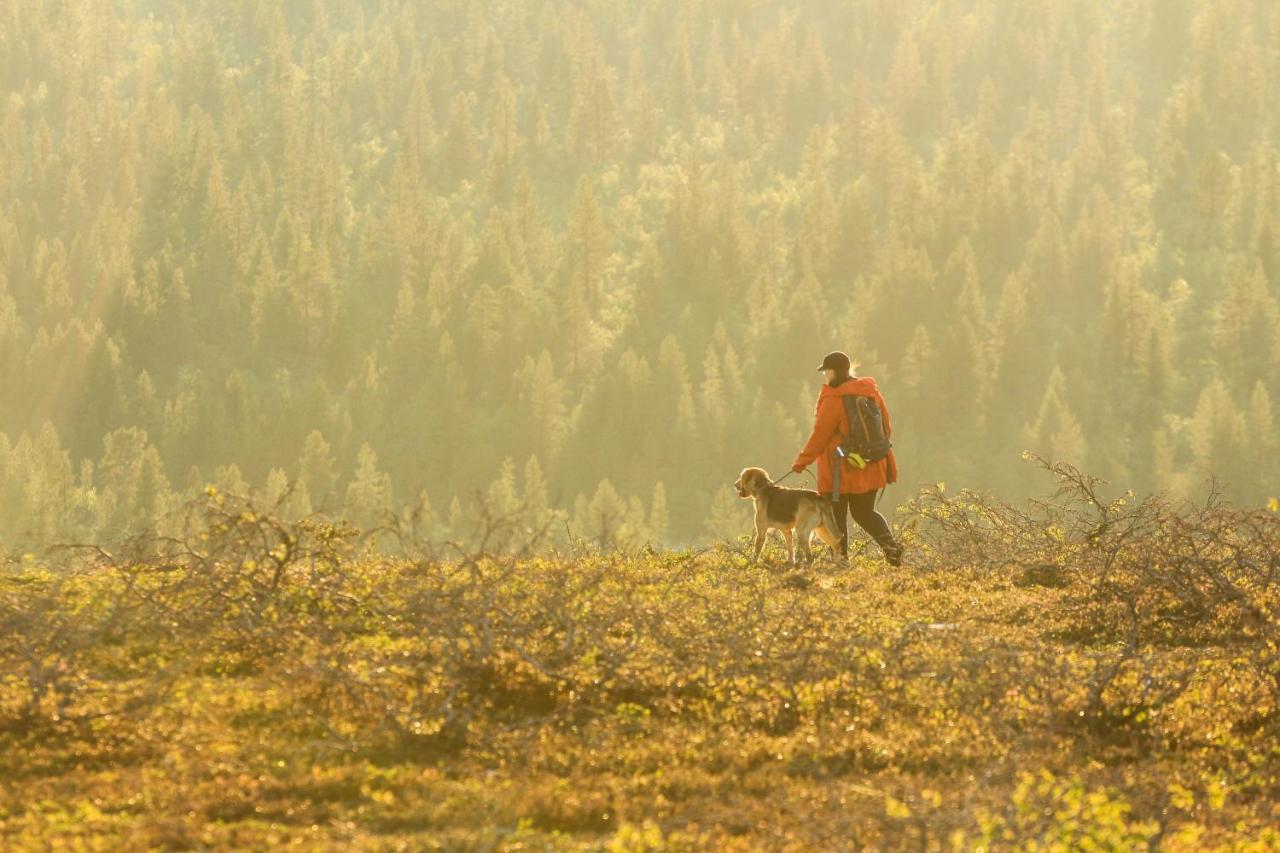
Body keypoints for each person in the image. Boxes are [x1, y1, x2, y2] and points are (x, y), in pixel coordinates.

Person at [791, 351, 904, 565]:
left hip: (840, 472)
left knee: (835, 517)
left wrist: (801, 462)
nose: (826, 376)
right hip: (871, 466)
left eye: (826, 371)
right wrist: (867, 453)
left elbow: (820, 436)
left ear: (833, 372)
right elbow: (886, 427)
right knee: (865, 513)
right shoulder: (871, 393)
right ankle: (892, 548)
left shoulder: (835, 399)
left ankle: (840, 560)